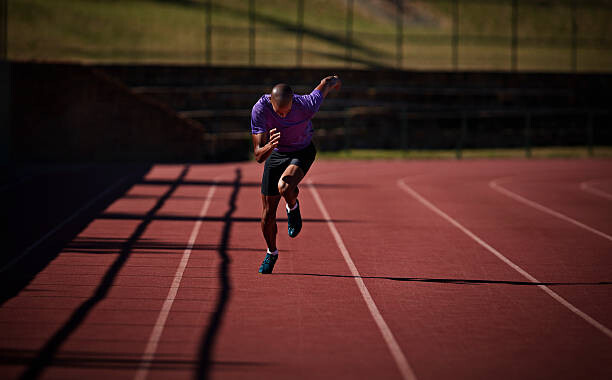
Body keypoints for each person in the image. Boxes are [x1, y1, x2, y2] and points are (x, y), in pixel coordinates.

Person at [251, 75, 342, 274]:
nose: (282, 117)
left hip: (302, 150)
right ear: (271, 103)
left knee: (285, 186)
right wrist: (269, 145)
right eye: (278, 113)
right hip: (275, 153)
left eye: (286, 112)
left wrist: (335, 81)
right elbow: (258, 156)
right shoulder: (260, 109)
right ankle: (271, 252)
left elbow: (324, 84)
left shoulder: (307, 105)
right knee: (267, 214)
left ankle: (293, 207)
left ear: (293, 102)